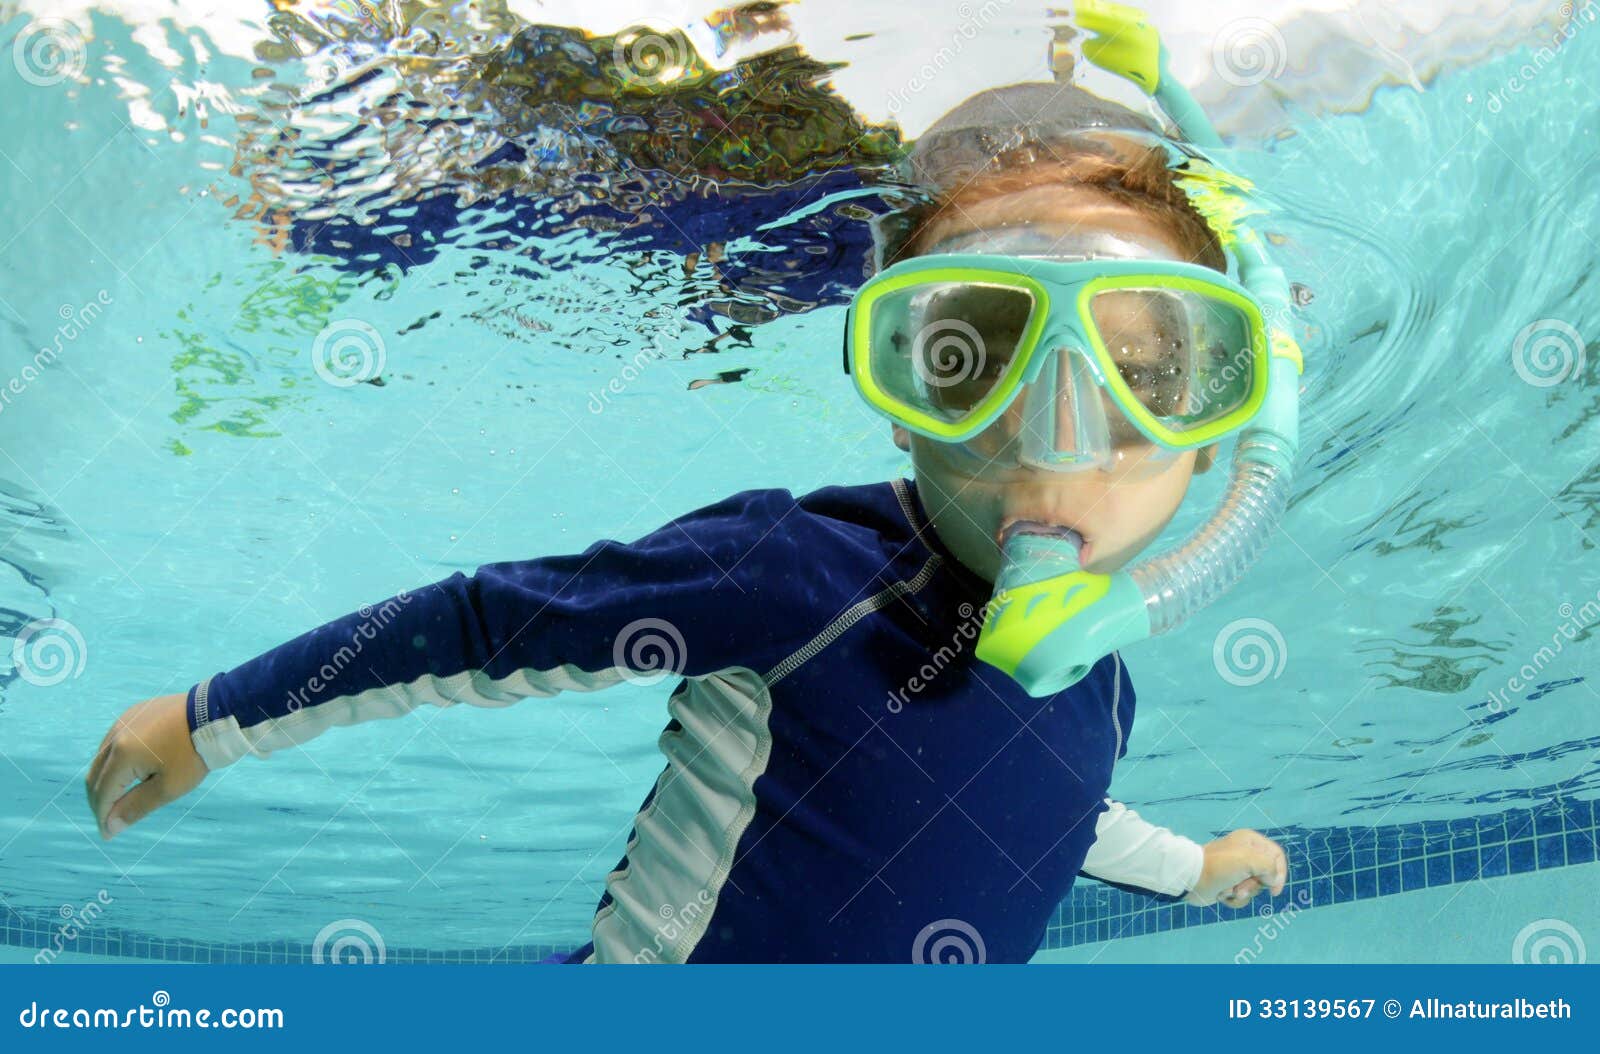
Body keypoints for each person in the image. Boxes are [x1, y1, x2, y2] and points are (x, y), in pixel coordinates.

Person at [84, 7, 1298, 965]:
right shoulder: (800, 571)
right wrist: (210, 718)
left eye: (1150, 371)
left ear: (1225, 423)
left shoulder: (1105, 680)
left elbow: (1065, 813)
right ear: (894, 386)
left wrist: (1195, 869)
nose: (1060, 436)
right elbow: (486, 625)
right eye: (970, 356)